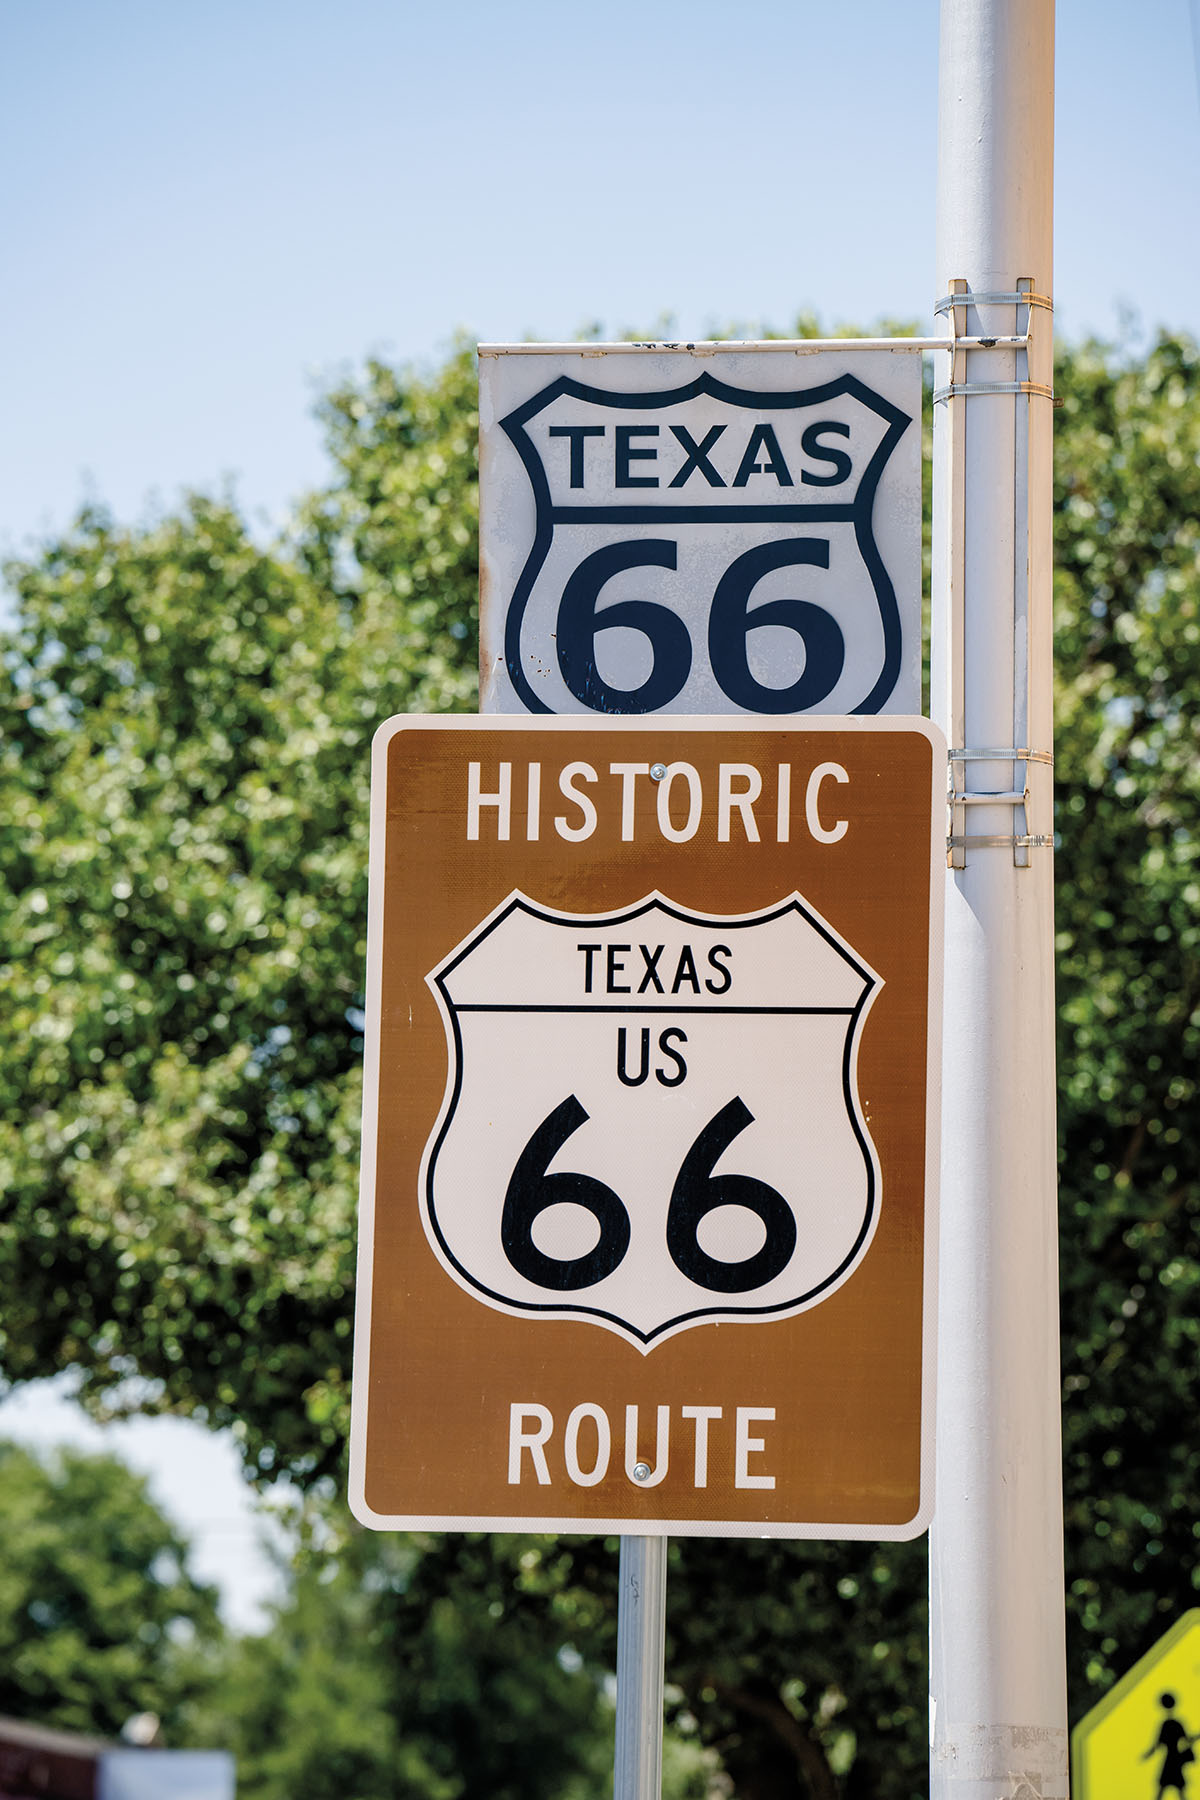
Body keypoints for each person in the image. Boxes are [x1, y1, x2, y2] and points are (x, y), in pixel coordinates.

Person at [1143, 1692, 1195, 1799]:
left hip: (1171, 1761)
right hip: (1176, 1760)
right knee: (1178, 1791)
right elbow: (1187, 1739)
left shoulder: (1166, 1724)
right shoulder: (1176, 1723)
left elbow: (1158, 1744)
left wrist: (1148, 1754)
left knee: (1164, 1790)